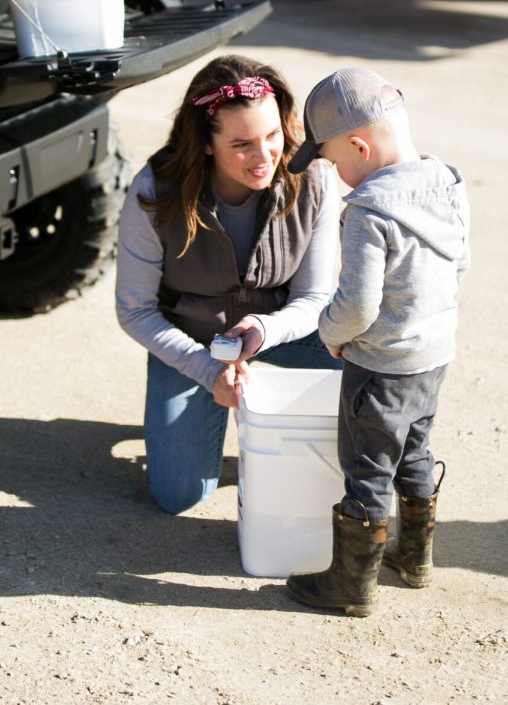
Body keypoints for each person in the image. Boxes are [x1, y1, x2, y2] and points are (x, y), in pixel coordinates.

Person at [115, 54, 341, 515]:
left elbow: (316, 297)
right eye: (242, 145)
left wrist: (264, 329)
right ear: (205, 143)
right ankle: (202, 408)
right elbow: (134, 310)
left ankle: (353, 454)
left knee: (366, 347)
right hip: (193, 338)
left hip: (277, 327)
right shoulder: (154, 192)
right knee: (179, 494)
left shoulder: (313, 178)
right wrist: (205, 368)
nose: (264, 158)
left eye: (273, 135)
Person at [284, 66, 470, 617]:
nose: (338, 174)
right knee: (416, 448)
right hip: (433, 357)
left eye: (335, 161)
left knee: (367, 467)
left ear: (360, 146)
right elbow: (460, 263)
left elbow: (358, 305)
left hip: (381, 367)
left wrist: (331, 336)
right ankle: (414, 560)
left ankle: (350, 588)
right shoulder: (448, 183)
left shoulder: (368, 211)